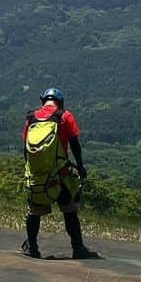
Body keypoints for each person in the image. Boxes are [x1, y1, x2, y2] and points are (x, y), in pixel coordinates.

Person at [21, 87, 101, 260]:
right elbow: (75, 144)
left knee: (34, 211)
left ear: (43, 100)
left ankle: (32, 246)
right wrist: (80, 166)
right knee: (69, 211)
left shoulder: (31, 118)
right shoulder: (65, 116)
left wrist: (30, 170)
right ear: (60, 102)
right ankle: (78, 248)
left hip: (37, 176)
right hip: (59, 174)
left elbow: (26, 149)